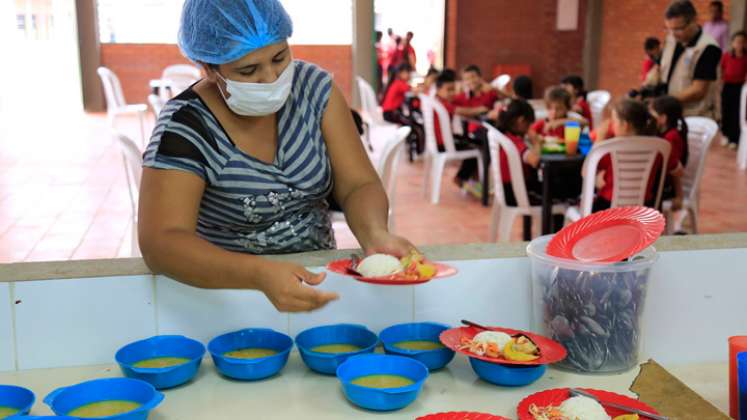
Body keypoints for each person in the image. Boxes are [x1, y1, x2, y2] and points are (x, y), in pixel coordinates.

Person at [139, 0, 414, 313]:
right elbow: (161, 243)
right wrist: (257, 274)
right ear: (209, 67)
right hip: (226, 295)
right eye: (248, 70)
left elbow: (358, 184)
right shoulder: (186, 127)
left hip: (314, 283)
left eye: (280, 58)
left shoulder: (314, 91)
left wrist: (374, 232)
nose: (270, 77)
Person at [658, 0, 722, 119]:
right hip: (671, 113)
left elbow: (698, 91)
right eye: (668, 29)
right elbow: (662, 67)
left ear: (693, 21)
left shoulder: (708, 48)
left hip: (696, 118)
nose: (673, 34)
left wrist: (664, 101)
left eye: (678, 29)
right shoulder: (671, 39)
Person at [592, 99, 658, 212]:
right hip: (644, 208)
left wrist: (599, 138)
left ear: (625, 125)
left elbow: (588, 170)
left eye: (614, 121)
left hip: (608, 207)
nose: (611, 125)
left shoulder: (612, 149)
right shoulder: (658, 147)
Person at [493, 99, 542, 206]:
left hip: (504, 190)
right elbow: (534, 161)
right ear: (521, 121)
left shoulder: (502, 134)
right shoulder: (514, 142)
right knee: (553, 192)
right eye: (528, 124)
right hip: (516, 194)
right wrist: (536, 143)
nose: (529, 128)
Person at [650, 96, 688, 213]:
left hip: (666, 188)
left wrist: (679, 195)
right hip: (663, 183)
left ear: (662, 118)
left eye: (652, 114)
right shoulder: (663, 133)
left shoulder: (671, 138)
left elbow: (675, 169)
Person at [721, 31, 747, 149]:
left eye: (742, 42)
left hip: (740, 87)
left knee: (736, 113)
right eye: (737, 42)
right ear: (732, 43)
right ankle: (725, 135)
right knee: (726, 110)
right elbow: (722, 69)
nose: (739, 44)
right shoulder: (726, 55)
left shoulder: (746, 57)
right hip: (727, 86)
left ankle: (734, 139)